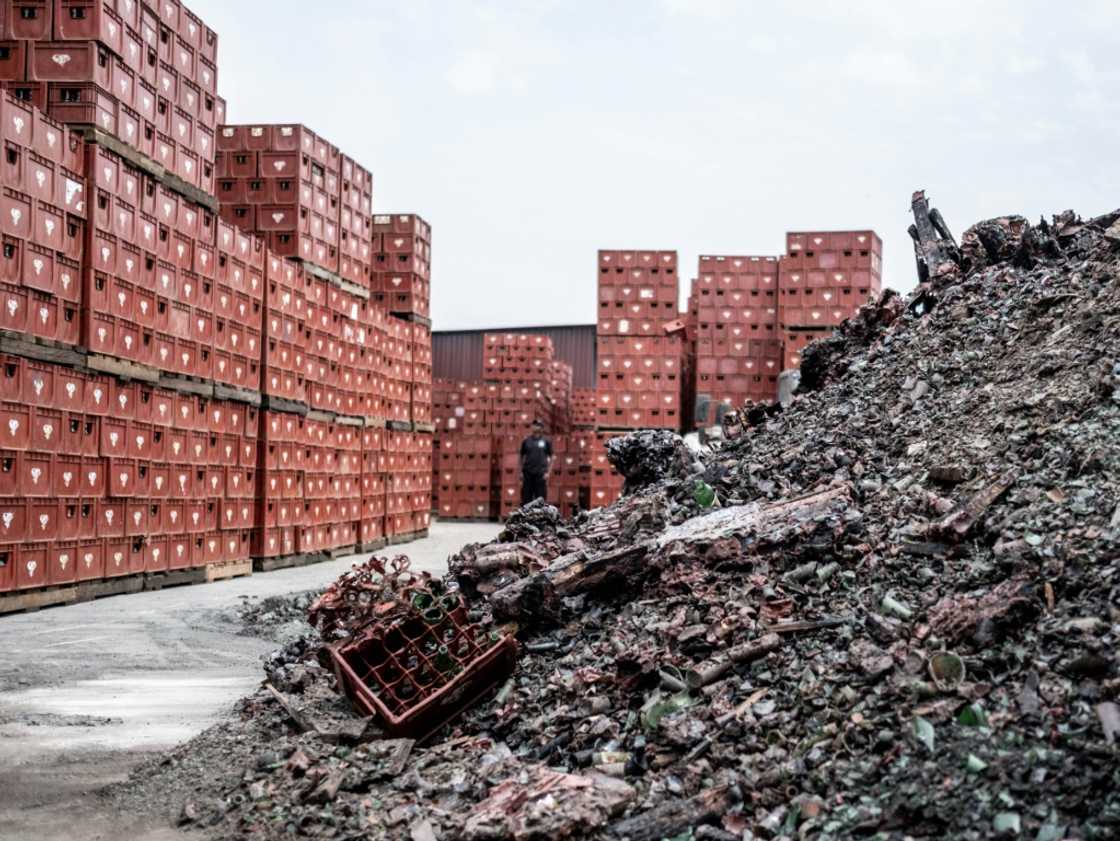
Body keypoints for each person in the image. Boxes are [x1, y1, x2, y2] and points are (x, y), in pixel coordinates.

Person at [519, 419, 553, 505]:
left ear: (542, 428)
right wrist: (520, 472)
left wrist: (548, 472)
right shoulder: (526, 441)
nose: (536, 427)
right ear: (532, 427)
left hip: (540, 474)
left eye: (539, 425)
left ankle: (540, 518)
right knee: (526, 499)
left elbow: (552, 457)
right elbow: (521, 456)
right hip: (528, 473)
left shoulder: (546, 442)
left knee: (540, 500)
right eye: (535, 425)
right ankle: (526, 518)